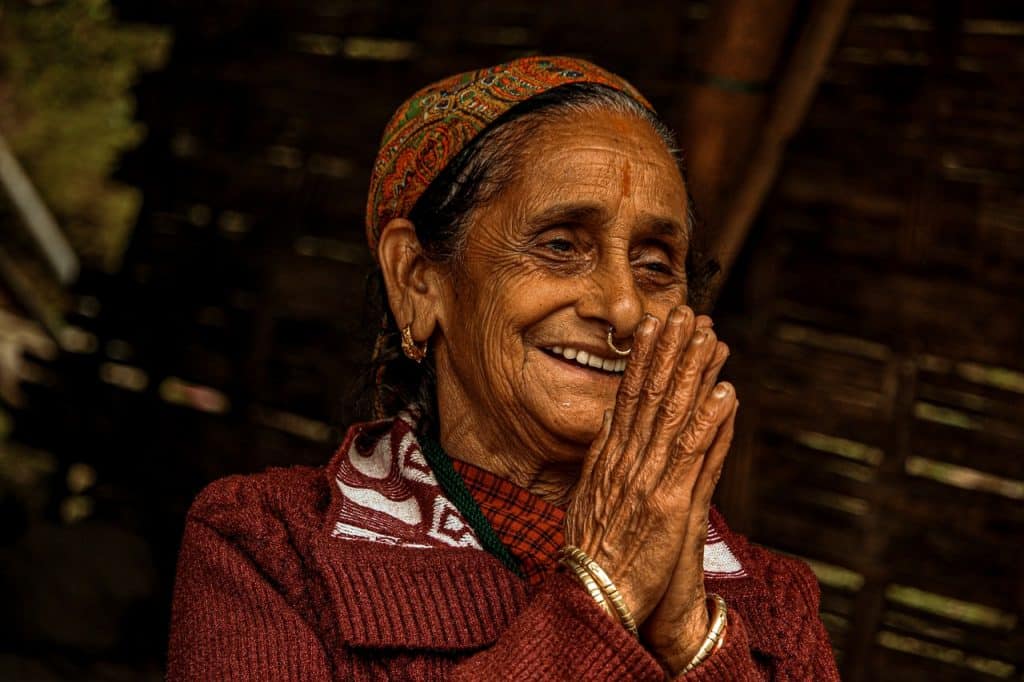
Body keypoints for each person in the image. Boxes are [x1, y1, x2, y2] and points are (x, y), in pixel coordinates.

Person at [167, 56, 840, 680]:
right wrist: (604, 592)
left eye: (656, 265)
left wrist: (692, 643)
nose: (625, 307)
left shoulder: (773, 606)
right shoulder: (268, 549)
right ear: (418, 281)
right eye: (559, 244)